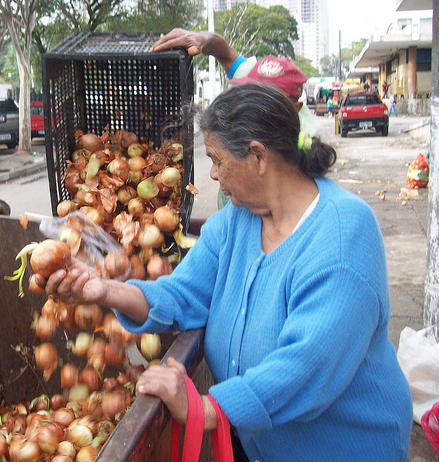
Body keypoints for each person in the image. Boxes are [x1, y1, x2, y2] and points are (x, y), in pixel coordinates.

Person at [41, 84, 413, 462]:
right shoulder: (238, 220)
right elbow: (183, 294)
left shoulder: (341, 235)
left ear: (258, 156)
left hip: (347, 448)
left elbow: (307, 367)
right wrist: (102, 290)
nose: (214, 175)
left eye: (217, 160)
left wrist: (204, 409)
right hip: (262, 446)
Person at [150, 29, 316, 216]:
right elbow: (225, 52)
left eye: (260, 100)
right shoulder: (246, 84)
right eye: (247, 92)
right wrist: (204, 39)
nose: (247, 103)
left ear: (295, 107)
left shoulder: (301, 147)